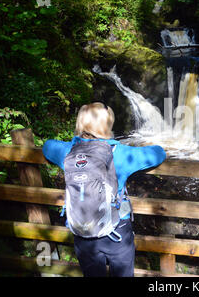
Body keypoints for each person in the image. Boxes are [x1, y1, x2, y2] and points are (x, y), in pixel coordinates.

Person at [42, 102, 166, 277]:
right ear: (107, 125)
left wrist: (74, 142)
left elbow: (47, 146)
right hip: (117, 230)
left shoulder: (68, 151)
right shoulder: (119, 152)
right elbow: (159, 154)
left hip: (82, 231)